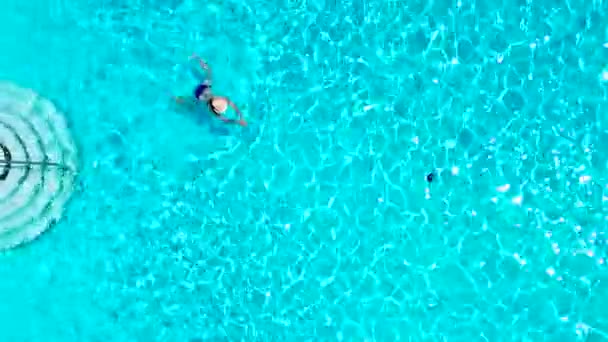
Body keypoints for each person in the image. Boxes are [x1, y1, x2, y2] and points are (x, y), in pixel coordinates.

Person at [174, 54, 247, 127]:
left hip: (202, 91)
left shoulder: (214, 99)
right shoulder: (211, 107)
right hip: (200, 94)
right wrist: (239, 119)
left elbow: (227, 114)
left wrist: (239, 117)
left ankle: (197, 58)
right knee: (190, 103)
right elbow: (225, 118)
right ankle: (197, 58)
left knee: (208, 73)